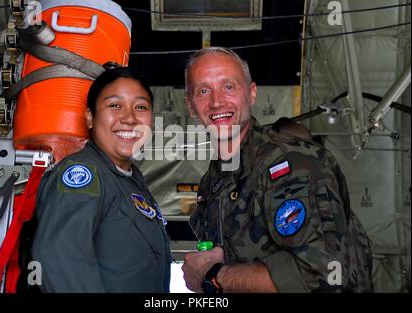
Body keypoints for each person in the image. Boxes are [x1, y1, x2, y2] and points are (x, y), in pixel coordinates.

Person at [182, 47, 373, 293]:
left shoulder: (293, 162)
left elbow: (321, 276)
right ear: (190, 105)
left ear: (251, 94)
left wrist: (216, 277)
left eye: (228, 87)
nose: (217, 101)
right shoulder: (212, 182)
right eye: (203, 91)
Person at [31, 68, 171, 292]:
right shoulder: (84, 173)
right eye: (115, 105)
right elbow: (60, 256)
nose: (129, 118)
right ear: (89, 117)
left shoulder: (130, 180)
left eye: (141, 107)